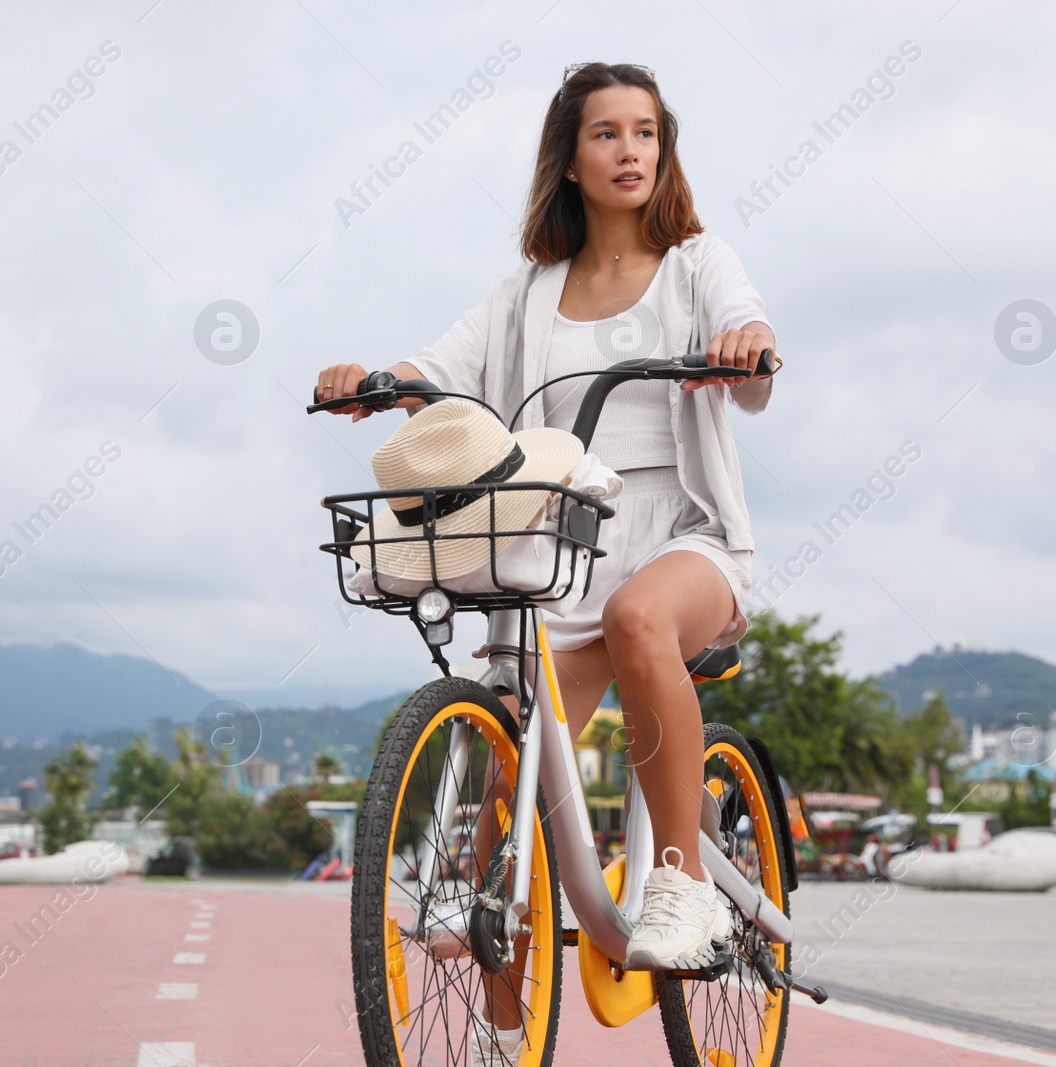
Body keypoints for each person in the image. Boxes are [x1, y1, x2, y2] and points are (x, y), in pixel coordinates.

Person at [315, 57, 777, 1043]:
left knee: (639, 616)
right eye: (607, 133)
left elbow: (750, 330)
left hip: (682, 536)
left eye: (645, 132)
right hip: (563, 544)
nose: (629, 150)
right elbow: (435, 371)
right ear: (569, 160)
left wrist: (742, 342)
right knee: (502, 797)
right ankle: (494, 1041)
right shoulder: (527, 293)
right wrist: (375, 379)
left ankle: (685, 883)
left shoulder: (697, 263)